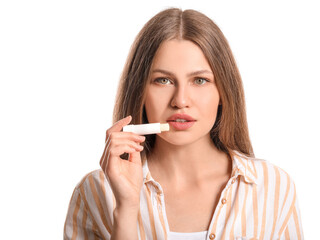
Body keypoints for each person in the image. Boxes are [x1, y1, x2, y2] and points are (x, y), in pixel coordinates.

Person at [64, 8, 303, 240]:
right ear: (140, 91)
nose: (180, 101)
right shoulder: (94, 192)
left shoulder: (272, 186)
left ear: (223, 91)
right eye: (163, 80)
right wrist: (125, 210)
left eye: (199, 80)